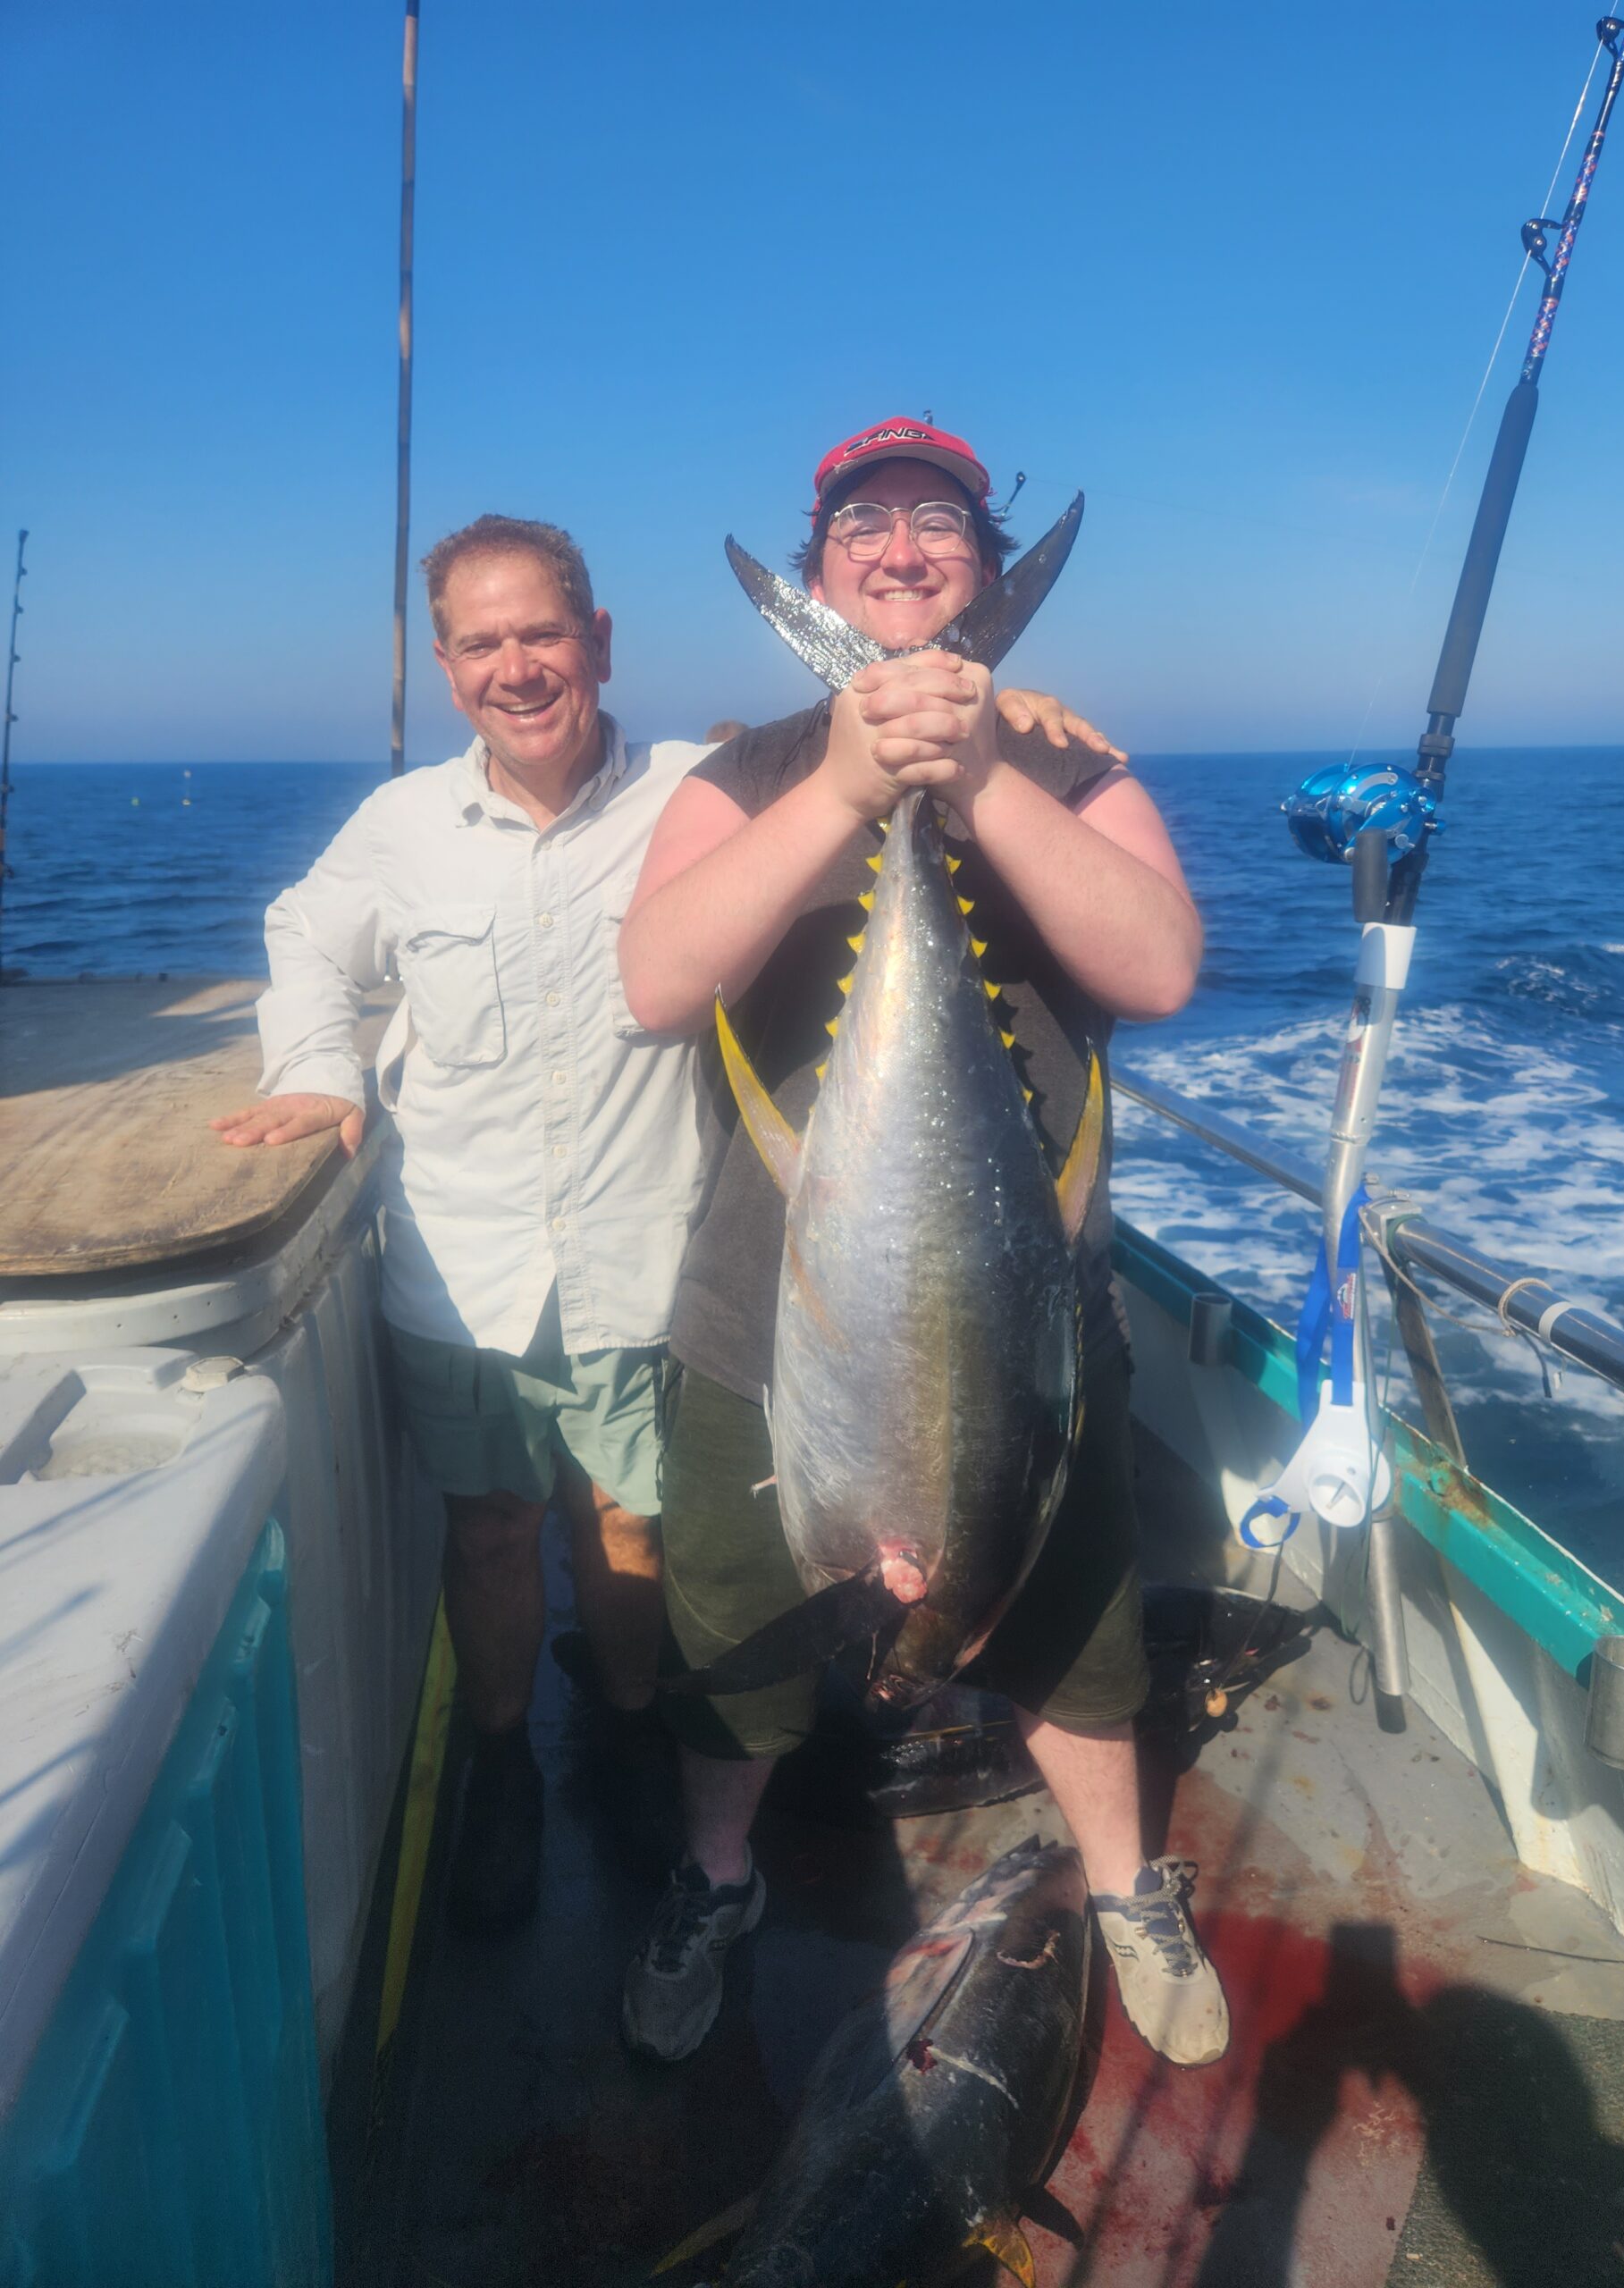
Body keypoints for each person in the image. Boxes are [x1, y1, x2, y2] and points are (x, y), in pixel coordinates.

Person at [215, 509, 1113, 1938]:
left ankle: (631, 1737)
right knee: (496, 1531)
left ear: (599, 641)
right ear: (447, 667)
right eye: (482, 642)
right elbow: (306, 946)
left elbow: (864, 741)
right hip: (466, 1263)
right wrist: (320, 1070)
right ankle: (506, 1763)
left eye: (544, 633)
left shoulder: (708, 781)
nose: (518, 667)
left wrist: (1002, 709)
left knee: (632, 1529)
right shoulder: (397, 831)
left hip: (646, 1256)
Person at [618, 416, 1229, 2068]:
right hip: (772, 1318)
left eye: (939, 526)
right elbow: (658, 984)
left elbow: (1162, 968)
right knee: (736, 1661)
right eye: (864, 529)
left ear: (979, 559)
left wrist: (975, 777)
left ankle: (1124, 1886)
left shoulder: (1074, 765)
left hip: (1026, 1321)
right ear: (818, 571)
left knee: (1078, 1638)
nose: (901, 553)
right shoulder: (737, 775)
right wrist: (842, 780)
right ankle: (714, 1876)